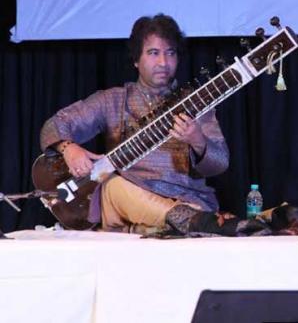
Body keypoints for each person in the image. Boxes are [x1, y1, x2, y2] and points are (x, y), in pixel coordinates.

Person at [40, 14, 233, 235]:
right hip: (128, 200)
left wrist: (197, 140)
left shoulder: (196, 103)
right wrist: (68, 148)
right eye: (153, 53)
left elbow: (220, 163)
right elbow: (55, 124)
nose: (163, 62)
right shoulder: (112, 101)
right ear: (135, 60)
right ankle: (183, 222)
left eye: (170, 53)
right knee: (112, 185)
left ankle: (155, 226)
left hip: (186, 198)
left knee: (124, 195)